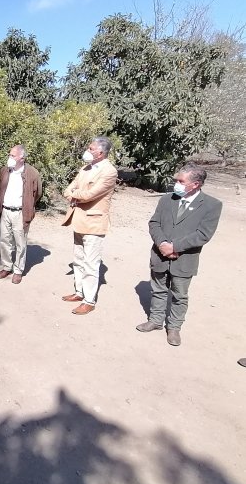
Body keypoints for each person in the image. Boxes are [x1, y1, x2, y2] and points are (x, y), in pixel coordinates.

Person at [136, 163, 222, 346]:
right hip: (159, 254)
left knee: (179, 295)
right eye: (176, 180)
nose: (176, 184)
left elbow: (203, 234)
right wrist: (162, 245)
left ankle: (174, 327)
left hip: (184, 259)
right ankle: (155, 321)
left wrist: (175, 247)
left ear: (196, 184)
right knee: (158, 289)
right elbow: (154, 223)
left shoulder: (212, 205)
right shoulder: (167, 199)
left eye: (181, 181)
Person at [61, 136, 118, 315]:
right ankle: (79, 292)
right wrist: (74, 193)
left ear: (101, 153)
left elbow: (90, 195)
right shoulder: (85, 168)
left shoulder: (109, 172)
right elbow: (68, 189)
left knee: (91, 264)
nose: (87, 150)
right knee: (78, 260)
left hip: (94, 223)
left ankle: (89, 300)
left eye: (91, 148)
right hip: (79, 220)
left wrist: (74, 194)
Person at [0, 144, 42, 284]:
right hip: (5, 211)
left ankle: (18, 270)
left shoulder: (32, 173)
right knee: (5, 240)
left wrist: (28, 205)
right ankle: (7, 267)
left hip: (20, 213)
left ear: (22, 157)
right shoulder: (4, 171)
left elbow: (38, 193)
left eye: (12, 155)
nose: (9, 157)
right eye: (9, 155)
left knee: (20, 243)